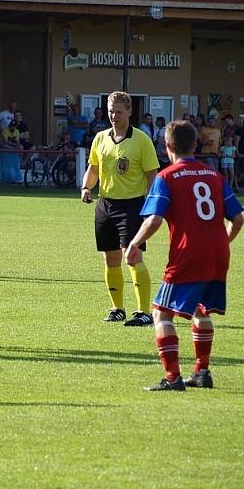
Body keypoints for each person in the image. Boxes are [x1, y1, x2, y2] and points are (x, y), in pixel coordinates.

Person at [126, 120, 244, 391]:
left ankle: (172, 378)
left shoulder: (166, 177)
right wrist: (220, 243)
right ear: (195, 145)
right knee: (201, 309)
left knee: (161, 313)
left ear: (168, 147)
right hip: (217, 254)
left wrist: (135, 243)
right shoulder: (214, 175)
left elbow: (154, 220)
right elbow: (237, 219)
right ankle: (202, 372)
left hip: (187, 254)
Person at [81, 91, 159, 327]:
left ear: (129, 112)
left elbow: (152, 175)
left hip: (132, 205)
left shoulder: (142, 140)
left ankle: (144, 312)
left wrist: (151, 204)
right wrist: (86, 187)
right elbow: (94, 168)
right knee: (110, 259)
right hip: (105, 205)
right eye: (111, 111)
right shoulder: (100, 138)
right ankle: (117, 308)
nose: (114, 115)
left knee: (132, 256)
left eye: (119, 111)